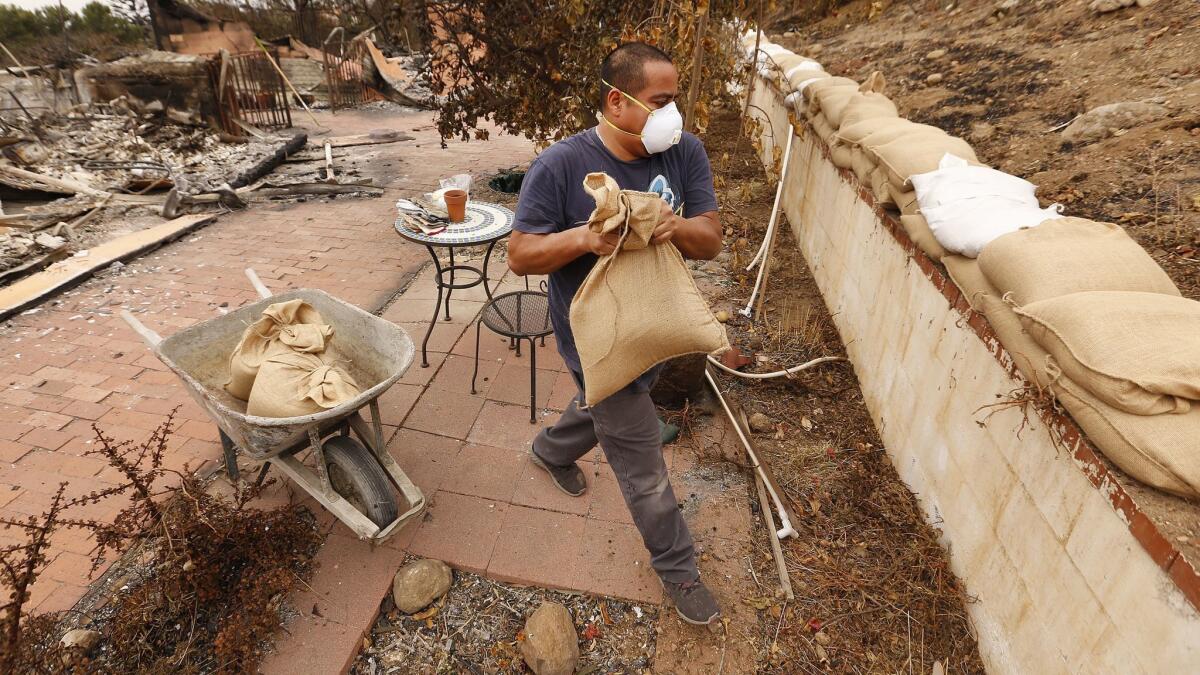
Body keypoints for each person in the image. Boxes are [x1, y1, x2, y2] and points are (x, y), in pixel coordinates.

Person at [506, 42, 723, 625]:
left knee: (607, 400)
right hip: (595, 333)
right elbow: (521, 255)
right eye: (660, 102)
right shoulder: (562, 165)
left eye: (674, 100)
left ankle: (551, 451)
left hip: (656, 322)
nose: (672, 115)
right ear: (617, 102)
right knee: (642, 459)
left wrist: (672, 224)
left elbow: (712, 239)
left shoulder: (683, 153)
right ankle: (678, 568)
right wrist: (584, 238)